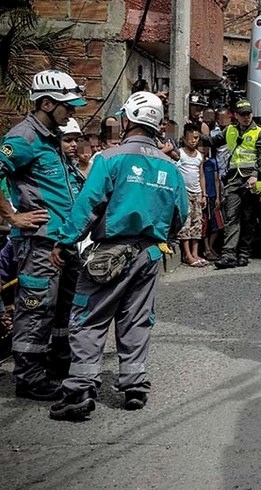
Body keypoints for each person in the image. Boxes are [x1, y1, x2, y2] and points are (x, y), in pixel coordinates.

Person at [47, 91, 188, 421]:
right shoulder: (171, 166)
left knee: (87, 317)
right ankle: (135, 386)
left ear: (127, 121)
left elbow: (87, 205)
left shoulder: (110, 159)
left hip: (109, 253)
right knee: (137, 318)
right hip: (150, 254)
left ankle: (79, 390)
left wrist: (64, 242)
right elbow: (180, 215)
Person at [0, 70, 87, 401]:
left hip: (64, 242)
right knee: (36, 307)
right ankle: (30, 378)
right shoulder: (25, 138)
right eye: (67, 106)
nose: (73, 112)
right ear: (47, 103)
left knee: (64, 308)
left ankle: (57, 364)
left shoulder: (51, 138)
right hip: (39, 244)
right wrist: (12, 216)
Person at [213, 99, 261, 269]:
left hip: (250, 180)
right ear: (236, 116)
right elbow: (212, 141)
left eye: (249, 114)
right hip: (233, 180)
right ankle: (228, 255)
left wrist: (255, 175)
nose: (246, 117)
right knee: (232, 217)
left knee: (248, 218)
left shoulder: (260, 133)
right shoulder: (229, 130)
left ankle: (244, 253)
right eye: (243, 114)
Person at [176, 123, 207, 267]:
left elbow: (201, 176)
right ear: (184, 138)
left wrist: (204, 194)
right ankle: (187, 255)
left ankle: (195, 253)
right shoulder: (180, 154)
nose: (194, 141)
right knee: (185, 224)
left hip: (197, 193)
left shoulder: (200, 156)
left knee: (197, 223)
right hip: (184, 194)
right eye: (191, 138)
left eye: (196, 138)